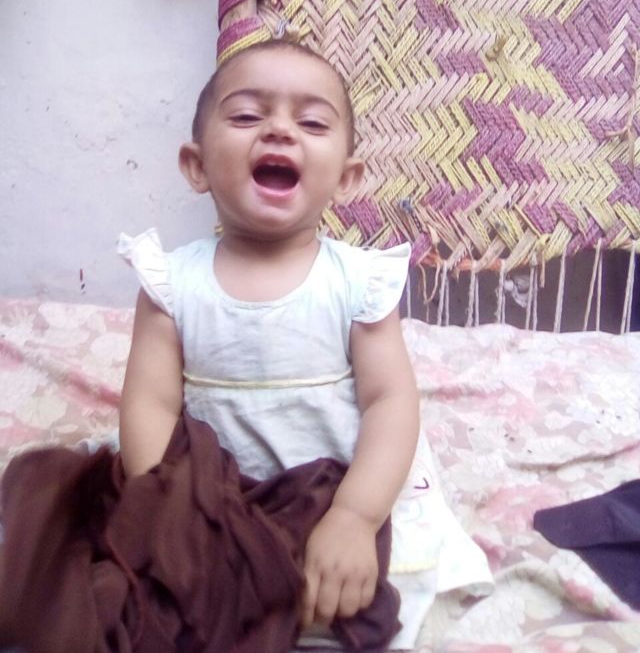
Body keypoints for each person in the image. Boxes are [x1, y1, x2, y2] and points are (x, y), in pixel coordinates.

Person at [118, 39, 491, 649]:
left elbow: (389, 403)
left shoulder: (359, 282)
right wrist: (167, 507)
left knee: (341, 605)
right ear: (196, 165)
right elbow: (150, 406)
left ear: (346, 178)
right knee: (132, 592)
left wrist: (356, 516)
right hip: (206, 496)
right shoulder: (170, 283)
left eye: (312, 123)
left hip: (329, 495)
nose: (279, 131)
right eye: (246, 115)